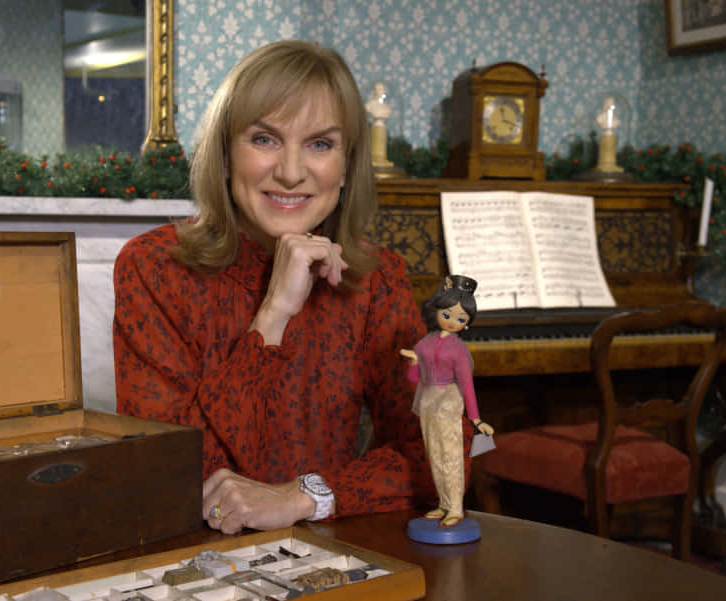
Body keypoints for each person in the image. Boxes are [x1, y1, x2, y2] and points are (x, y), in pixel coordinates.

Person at [113, 40, 471, 535]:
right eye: (264, 139)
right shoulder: (153, 268)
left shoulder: (376, 277)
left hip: (325, 550)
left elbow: (441, 453)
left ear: (346, 166)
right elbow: (173, 477)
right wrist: (274, 313)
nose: (290, 171)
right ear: (224, 154)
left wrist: (305, 496)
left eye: (320, 144)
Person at [400, 275, 493, 528]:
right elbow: (413, 377)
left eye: (461, 319)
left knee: (451, 454)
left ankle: (456, 507)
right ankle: (443, 503)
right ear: (437, 310)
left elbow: (467, 386)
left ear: (467, 323)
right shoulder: (425, 343)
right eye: (448, 314)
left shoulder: (459, 350)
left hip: (449, 401)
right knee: (434, 454)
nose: (454, 322)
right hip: (428, 399)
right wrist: (414, 364)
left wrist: (475, 419)